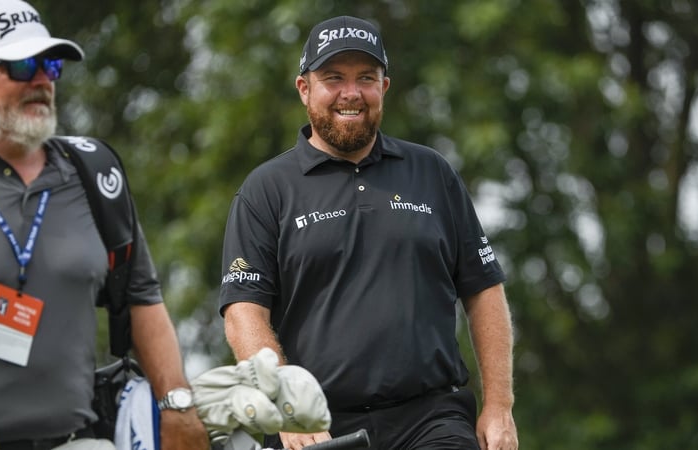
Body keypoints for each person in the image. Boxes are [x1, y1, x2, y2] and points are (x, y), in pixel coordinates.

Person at [219, 14, 519, 450]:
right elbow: (243, 313)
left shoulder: (432, 172)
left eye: (366, 77)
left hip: (431, 418)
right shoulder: (266, 190)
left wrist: (499, 406)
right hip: (315, 423)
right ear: (304, 89)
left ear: (384, 87)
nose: (351, 93)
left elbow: (484, 290)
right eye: (333, 78)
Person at [0, 1, 209, 449]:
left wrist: (177, 405)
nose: (43, 79)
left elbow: (142, 296)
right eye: (23, 65)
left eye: (50, 64)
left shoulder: (91, 171)